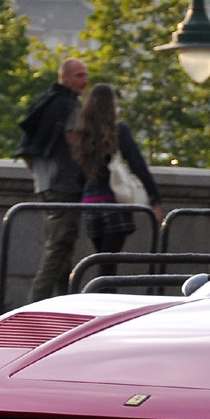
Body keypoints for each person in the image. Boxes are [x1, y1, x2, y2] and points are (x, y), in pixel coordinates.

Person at [73, 83, 163, 279]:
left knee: (102, 263)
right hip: (114, 202)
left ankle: (98, 300)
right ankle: (103, 303)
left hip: (90, 205)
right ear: (111, 105)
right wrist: (154, 197)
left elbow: (78, 174)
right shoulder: (119, 130)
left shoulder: (82, 134)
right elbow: (138, 165)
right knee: (109, 267)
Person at [17, 58, 89, 301]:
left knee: (62, 248)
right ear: (64, 78)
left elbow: (27, 147)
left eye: (85, 75)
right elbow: (73, 142)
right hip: (64, 185)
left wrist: (39, 176)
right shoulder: (70, 106)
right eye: (79, 75)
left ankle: (64, 301)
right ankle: (34, 306)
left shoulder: (44, 103)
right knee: (57, 249)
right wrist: (86, 168)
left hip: (45, 184)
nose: (84, 80)